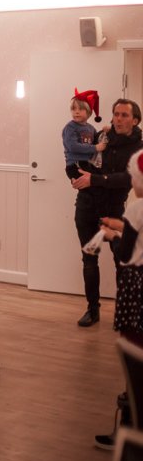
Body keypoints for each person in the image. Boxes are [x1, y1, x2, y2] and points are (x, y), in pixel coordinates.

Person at [72, 98, 143, 327]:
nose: (118, 119)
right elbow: (82, 161)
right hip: (86, 206)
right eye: (116, 114)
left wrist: (95, 179)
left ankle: (124, 312)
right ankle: (92, 310)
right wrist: (75, 176)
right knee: (89, 258)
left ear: (135, 120)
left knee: (121, 260)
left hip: (113, 210)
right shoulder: (101, 136)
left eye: (124, 115)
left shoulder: (138, 148)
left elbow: (128, 179)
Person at [94, 148, 143, 449]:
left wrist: (113, 236)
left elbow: (126, 252)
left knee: (134, 355)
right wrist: (120, 225)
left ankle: (129, 428)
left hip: (136, 286)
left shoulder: (137, 208)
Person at [62, 89, 107, 180]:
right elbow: (73, 147)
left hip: (88, 163)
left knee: (100, 182)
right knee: (92, 185)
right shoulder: (70, 127)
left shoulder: (91, 128)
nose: (76, 112)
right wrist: (95, 148)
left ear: (89, 112)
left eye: (81, 109)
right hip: (75, 165)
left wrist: (104, 131)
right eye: (74, 109)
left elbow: (96, 140)